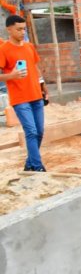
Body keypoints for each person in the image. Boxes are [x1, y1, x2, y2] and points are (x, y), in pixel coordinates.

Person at [0, 15, 48, 171]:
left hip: (36, 95)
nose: (22, 32)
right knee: (31, 131)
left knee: (39, 132)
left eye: (24, 29)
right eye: (18, 29)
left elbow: (35, 67)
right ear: (9, 29)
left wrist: (43, 85)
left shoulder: (29, 46)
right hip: (20, 99)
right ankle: (37, 165)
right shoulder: (3, 50)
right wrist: (11, 76)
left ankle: (29, 164)